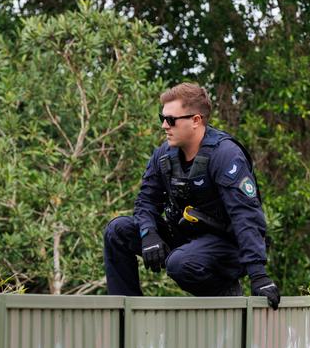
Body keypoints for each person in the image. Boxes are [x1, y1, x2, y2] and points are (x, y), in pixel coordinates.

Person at [103, 83, 280, 309]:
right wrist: (149, 234)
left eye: (171, 119)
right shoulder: (164, 155)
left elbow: (245, 217)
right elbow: (146, 201)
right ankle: (125, 313)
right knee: (117, 231)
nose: (164, 125)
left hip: (225, 246)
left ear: (196, 120)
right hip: (185, 236)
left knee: (180, 263)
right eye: (162, 117)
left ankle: (226, 294)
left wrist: (258, 275)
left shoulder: (225, 155)